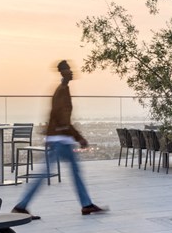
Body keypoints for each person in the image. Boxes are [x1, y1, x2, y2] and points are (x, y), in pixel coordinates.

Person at [13, 60, 107, 217]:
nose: (71, 72)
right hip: (61, 140)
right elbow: (62, 119)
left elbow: (55, 115)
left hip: (60, 139)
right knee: (47, 173)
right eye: (67, 70)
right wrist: (78, 137)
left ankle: (86, 204)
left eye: (70, 69)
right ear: (62, 72)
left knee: (71, 171)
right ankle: (21, 206)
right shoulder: (61, 91)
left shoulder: (63, 90)